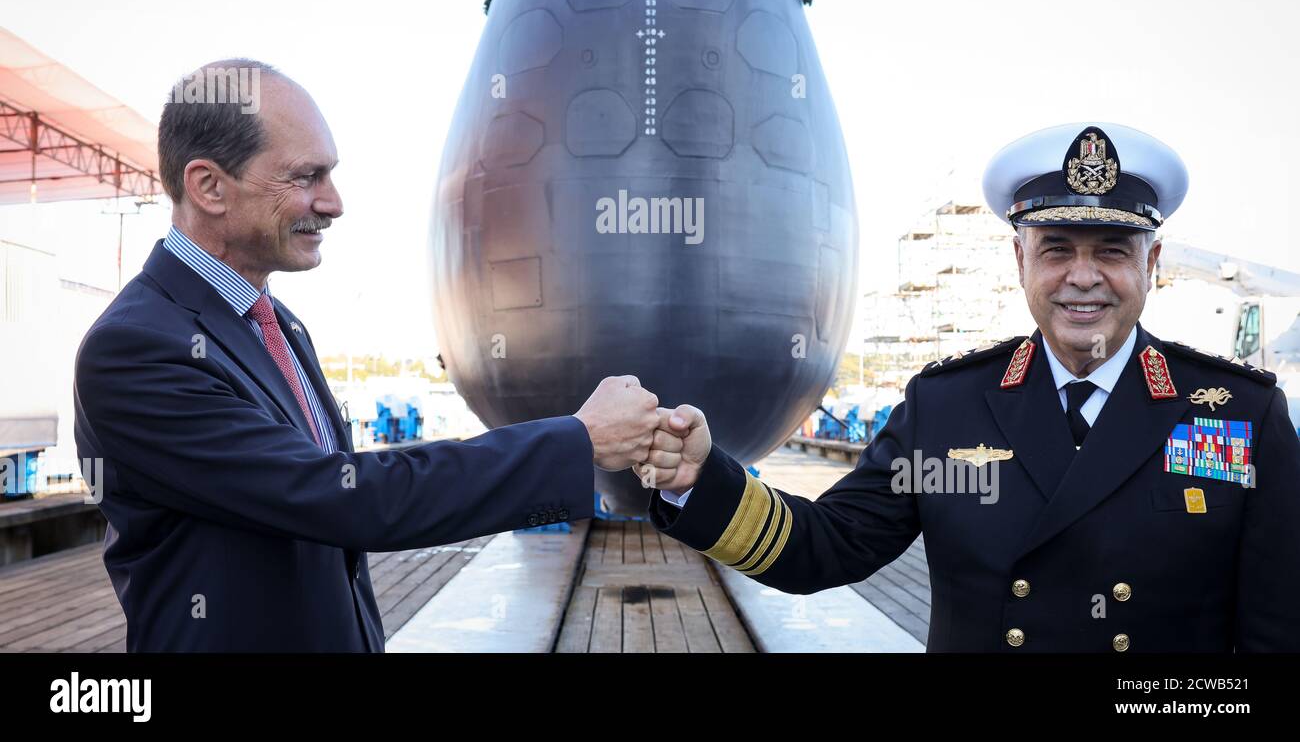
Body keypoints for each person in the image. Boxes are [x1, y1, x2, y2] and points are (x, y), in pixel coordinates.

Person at [74, 59, 678, 651]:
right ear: (209, 186)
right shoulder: (134, 350)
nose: (333, 203)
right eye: (306, 177)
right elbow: (342, 499)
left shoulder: (275, 322)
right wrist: (577, 441)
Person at [649, 123, 1300, 651]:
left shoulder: (1242, 414)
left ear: (1151, 264)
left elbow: (1277, 633)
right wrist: (697, 481)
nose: (1081, 276)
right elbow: (829, 543)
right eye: (1055, 249)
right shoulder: (947, 407)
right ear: (1019, 259)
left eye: (1110, 249)